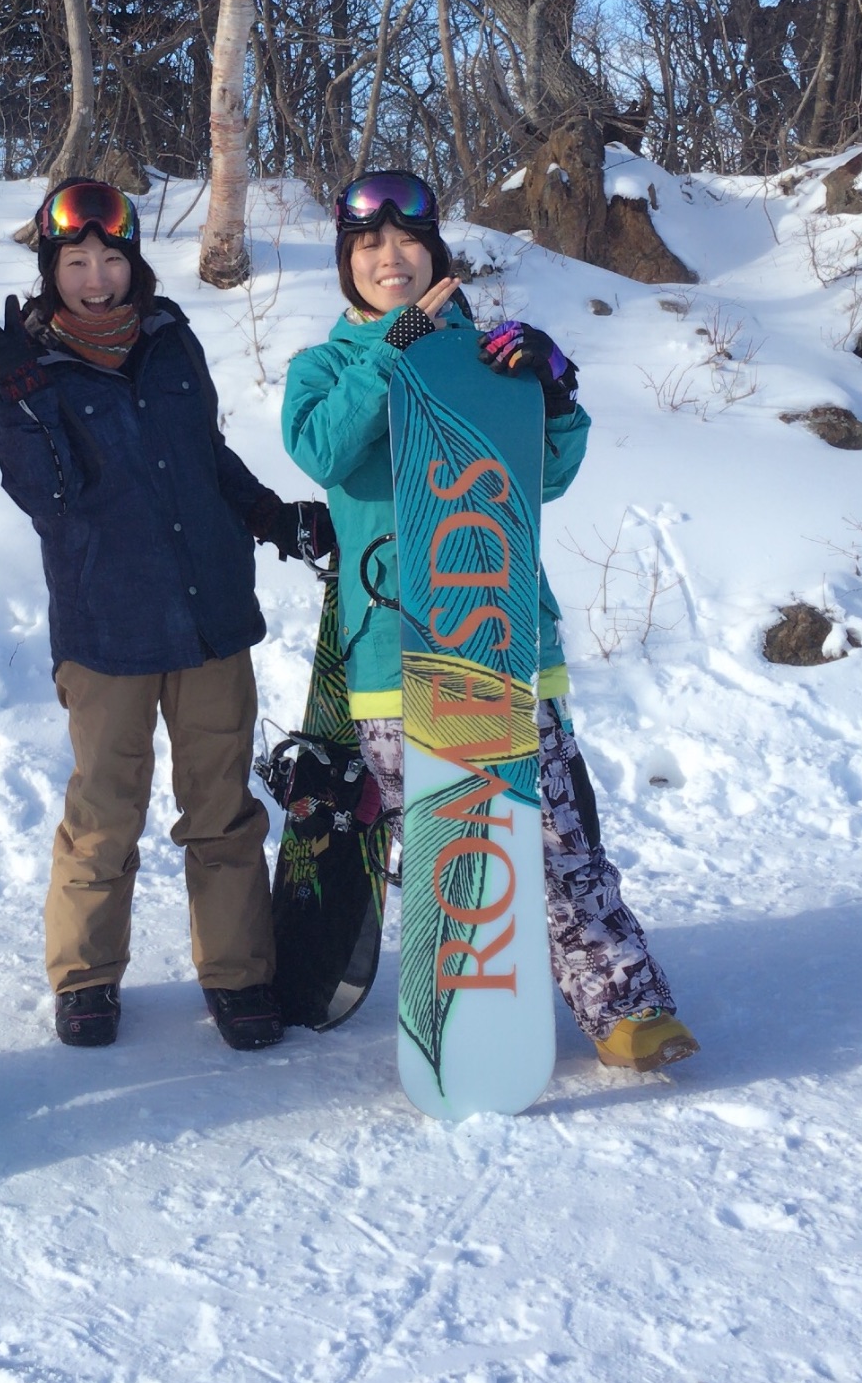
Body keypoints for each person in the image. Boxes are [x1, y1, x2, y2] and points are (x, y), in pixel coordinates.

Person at [282, 169, 699, 1073]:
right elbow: (321, 446)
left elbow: (545, 477)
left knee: (550, 836)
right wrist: (402, 342)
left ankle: (624, 1007)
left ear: (433, 250)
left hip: (502, 635)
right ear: (347, 266)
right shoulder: (328, 367)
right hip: (398, 649)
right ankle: (464, 1023)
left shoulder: (486, 352)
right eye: (366, 248)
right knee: (448, 840)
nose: (389, 258)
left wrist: (552, 392)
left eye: (405, 243)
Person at [0, 177, 331, 1054]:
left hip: (208, 618)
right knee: (103, 812)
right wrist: (25, 397)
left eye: (110, 257)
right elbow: (45, 497)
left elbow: (205, 454)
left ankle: (238, 975)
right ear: (50, 269)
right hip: (107, 629)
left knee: (222, 810)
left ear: (132, 262)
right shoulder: (33, 365)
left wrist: (268, 514)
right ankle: (83, 977)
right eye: (74, 260)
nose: (95, 276)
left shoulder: (168, 339)